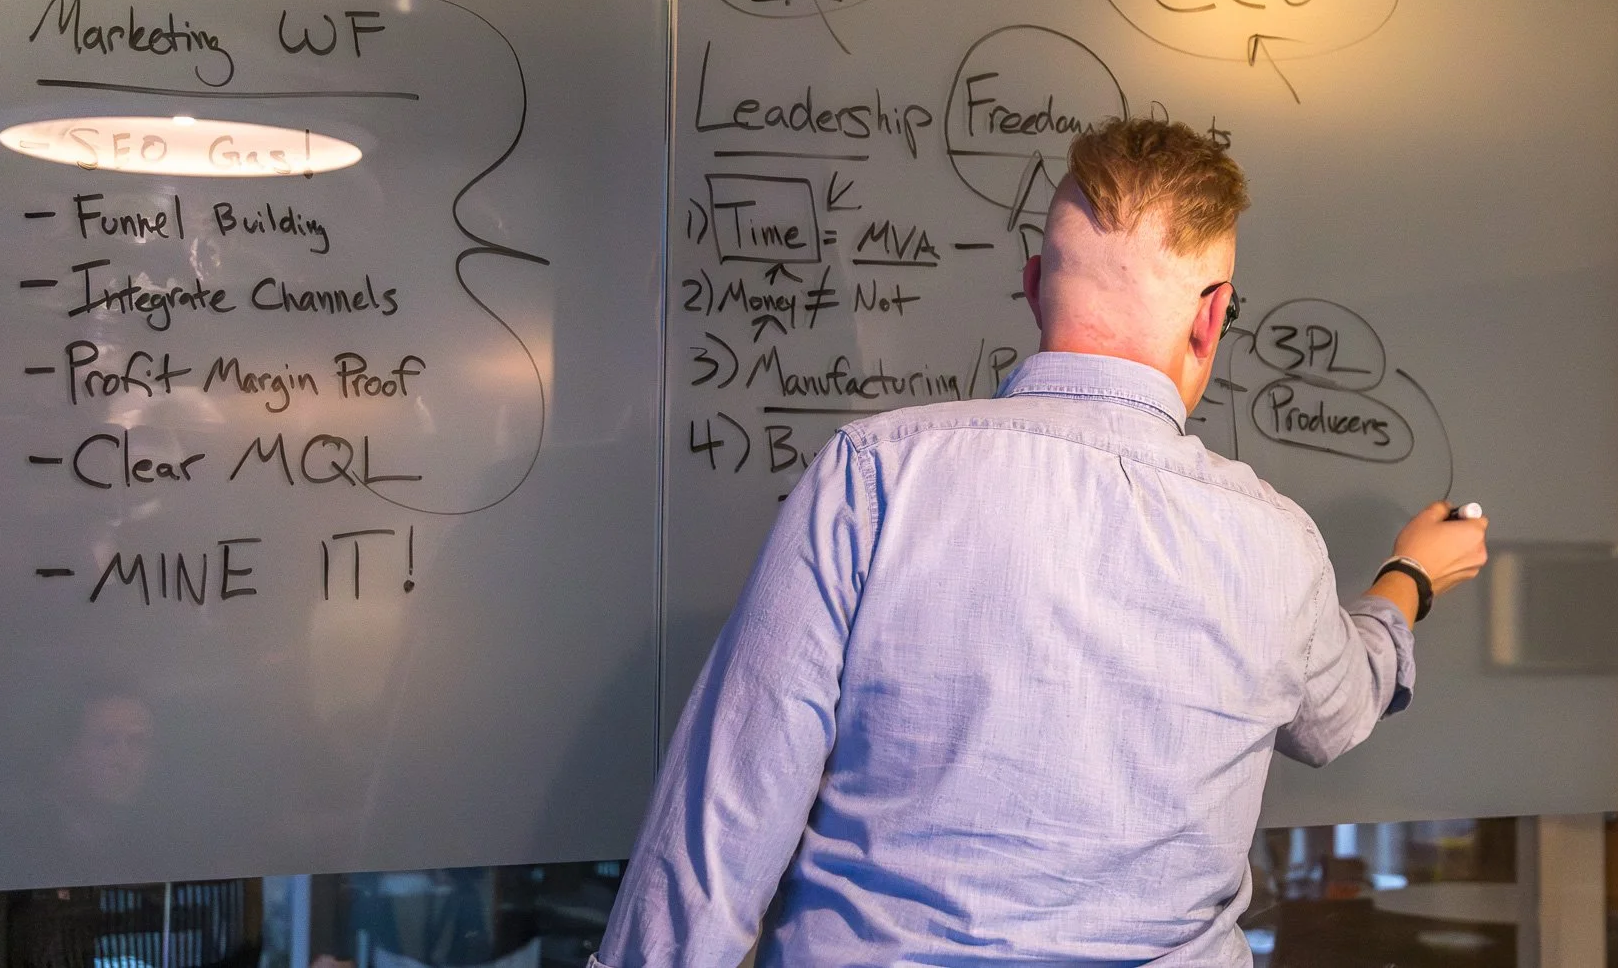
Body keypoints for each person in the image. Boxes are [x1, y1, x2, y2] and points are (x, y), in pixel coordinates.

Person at [594, 118, 1489, 967]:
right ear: (1212, 316)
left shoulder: (876, 476)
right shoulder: (1275, 541)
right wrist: (1409, 576)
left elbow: (727, 814)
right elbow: (1337, 709)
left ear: (1032, 284)